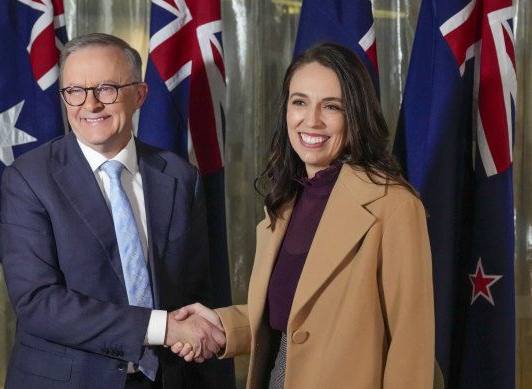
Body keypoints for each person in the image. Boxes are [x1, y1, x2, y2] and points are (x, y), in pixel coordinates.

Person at [172, 42, 435, 388]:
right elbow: (290, 315)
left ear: (356, 115)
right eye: (300, 102)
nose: (311, 121)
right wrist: (220, 326)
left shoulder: (394, 205)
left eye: (331, 106)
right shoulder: (285, 200)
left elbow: (411, 341)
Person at [0, 33, 226, 389]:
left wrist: (193, 335)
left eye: (106, 88)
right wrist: (164, 328)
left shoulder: (181, 177)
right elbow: (38, 302)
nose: (90, 105)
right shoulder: (28, 179)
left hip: (167, 379)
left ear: (139, 94)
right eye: (75, 91)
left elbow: (195, 288)